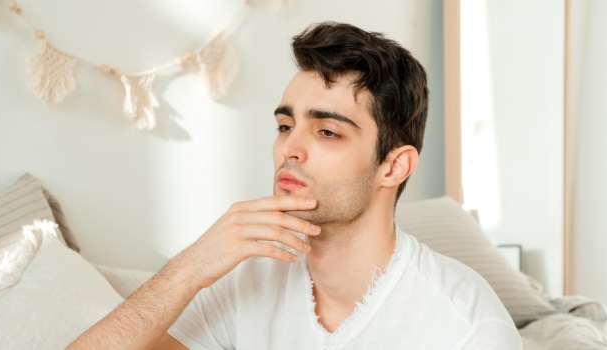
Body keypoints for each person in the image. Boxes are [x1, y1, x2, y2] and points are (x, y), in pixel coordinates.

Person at [70, 21, 521, 349]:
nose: (290, 148)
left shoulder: (465, 329)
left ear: (394, 166)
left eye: (327, 132)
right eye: (286, 126)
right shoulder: (248, 280)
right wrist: (190, 267)